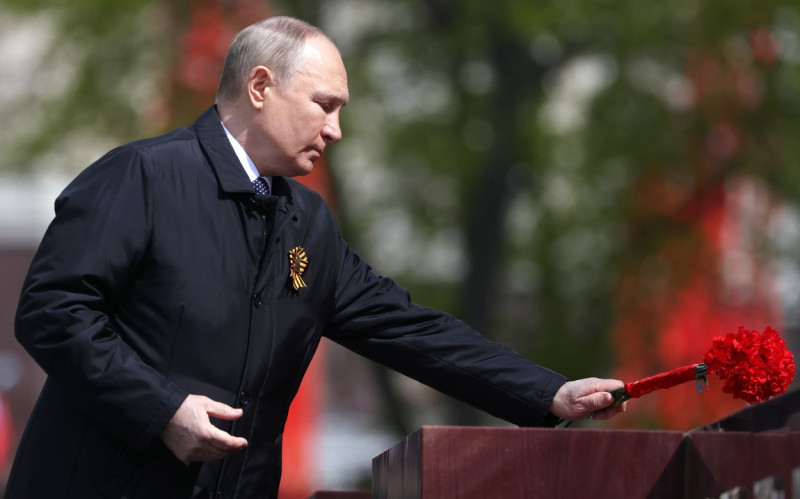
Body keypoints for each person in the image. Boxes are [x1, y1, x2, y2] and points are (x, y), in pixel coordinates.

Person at [7, 16, 626, 499]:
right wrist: (161, 409)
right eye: (324, 105)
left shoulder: (310, 225)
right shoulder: (142, 176)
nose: (335, 131)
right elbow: (51, 312)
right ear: (259, 87)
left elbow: (408, 328)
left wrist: (548, 393)